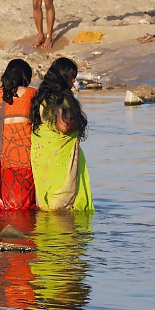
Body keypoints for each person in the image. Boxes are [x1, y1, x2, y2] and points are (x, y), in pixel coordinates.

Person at [30, 57, 94, 211]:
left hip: (42, 155)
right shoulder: (62, 98)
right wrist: (78, 123)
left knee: (47, 202)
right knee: (62, 205)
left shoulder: (42, 96)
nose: (73, 82)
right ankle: (63, 233)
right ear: (65, 77)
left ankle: (47, 233)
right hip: (60, 157)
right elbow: (64, 126)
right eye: (72, 78)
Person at [0, 59, 36, 213]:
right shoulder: (32, 93)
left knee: (7, 205)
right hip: (26, 156)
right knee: (25, 207)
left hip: (3, 157)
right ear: (25, 76)